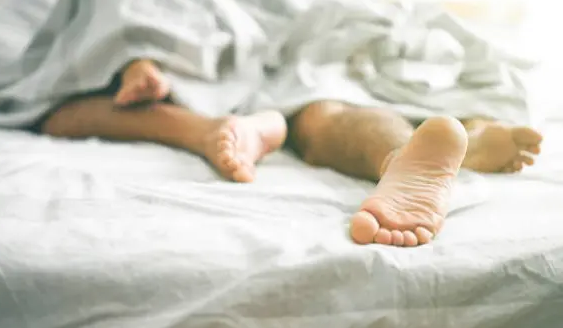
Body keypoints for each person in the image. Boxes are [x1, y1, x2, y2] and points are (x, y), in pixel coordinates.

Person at [39, 58, 543, 247]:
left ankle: (408, 158)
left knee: (323, 109)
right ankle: (406, 154)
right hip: (284, 61)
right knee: (326, 111)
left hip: (282, 56)